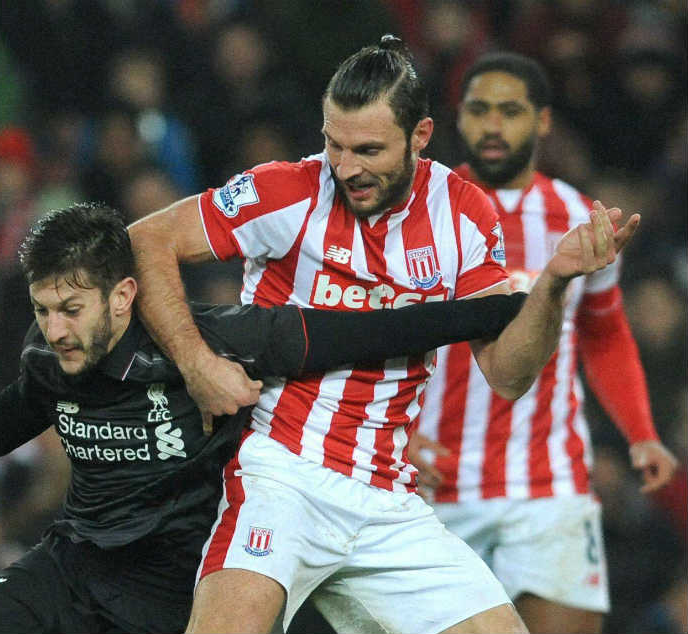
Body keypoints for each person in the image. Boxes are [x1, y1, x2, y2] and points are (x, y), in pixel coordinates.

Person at [127, 35, 640, 634]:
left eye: (367, 150)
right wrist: (196, 363)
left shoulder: (465, 213)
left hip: (386, 495)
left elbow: (507, 375)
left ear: (420, 137)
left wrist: (553, 283)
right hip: (280, 472)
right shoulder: (287, 190)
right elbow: (148, 237)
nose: (344, 168)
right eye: (333, 144)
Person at [0, 202, 532, 634]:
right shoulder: (48, 362)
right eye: (42, 310)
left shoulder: (220, 344)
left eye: (70, 309)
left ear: (123, 295)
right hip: (76, 562)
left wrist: (495, 312)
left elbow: (370, 332)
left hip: (177, 586)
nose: (55, 330)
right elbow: (14, 414)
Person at [413, 52, 678, 634]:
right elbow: (371, 335)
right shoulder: (417, 213)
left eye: (510, 111)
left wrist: (641, 432)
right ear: (459, 117)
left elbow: (605, 331)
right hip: (430, 486)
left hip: (547, 483)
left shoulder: (579, 218)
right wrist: (396, 438)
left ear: (543, 121)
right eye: (479, 110)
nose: (492, 126)